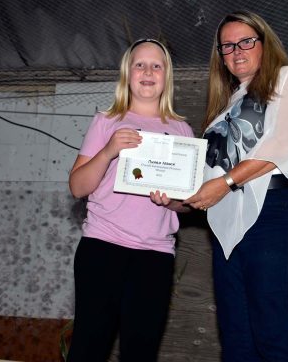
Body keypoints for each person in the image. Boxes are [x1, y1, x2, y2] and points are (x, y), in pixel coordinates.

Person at [184, 11, 288, 361]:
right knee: (237, 342)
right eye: (227, 46)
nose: (237, 51)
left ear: (264, 43)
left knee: (274, 337)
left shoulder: (286, 79)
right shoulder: (225, 106)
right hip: (228, 227)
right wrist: (170, 197)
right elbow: (205, 180)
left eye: (246, 41)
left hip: (275, 216)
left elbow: (284, 145)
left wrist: (226, 182)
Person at [66, 38, 193, 362]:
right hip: (102, 247)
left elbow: (188, 202)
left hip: (155, 255)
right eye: (140, 64)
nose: (148, 71)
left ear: (167, 76)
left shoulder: (182, 131)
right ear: (127, 74)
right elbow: (78, 187)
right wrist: (108, 150)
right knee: (88, 349)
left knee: (140, 353)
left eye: (156, 65)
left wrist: (172, 202)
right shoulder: (106, 121)